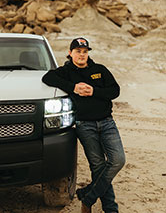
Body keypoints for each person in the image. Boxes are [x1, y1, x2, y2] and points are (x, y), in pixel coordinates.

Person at [42, 37, 126, 213]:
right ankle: (111, 209)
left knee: (118, 160)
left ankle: (88, 196)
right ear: (70, 52)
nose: (81, 55)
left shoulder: (99, 70)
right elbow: (47, 77)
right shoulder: (65, 72)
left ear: (88, 53)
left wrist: (94, 91)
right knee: (98, 166)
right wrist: (73, 87)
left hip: (107, 122)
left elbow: (115, 91)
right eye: (78, 51)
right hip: (84, 126)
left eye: (84, 51)